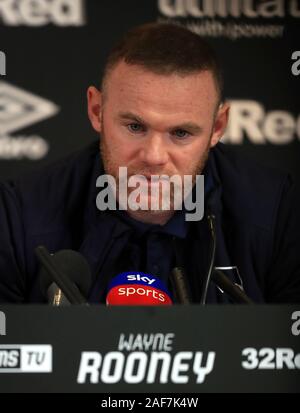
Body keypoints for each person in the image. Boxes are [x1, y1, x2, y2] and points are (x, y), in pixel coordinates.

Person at [0, 22, 299, 304]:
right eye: (134, 127)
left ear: (217, 127)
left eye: (180, 133)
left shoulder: (279, 213)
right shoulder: (20, 217)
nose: (154, 156)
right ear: (96, 110)